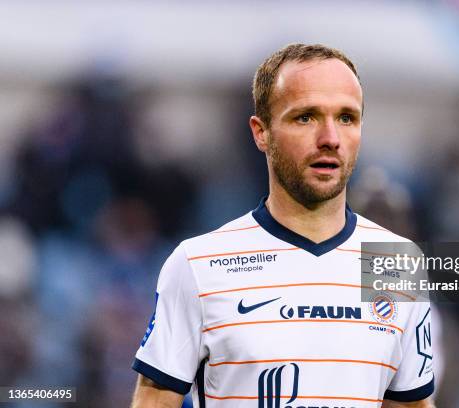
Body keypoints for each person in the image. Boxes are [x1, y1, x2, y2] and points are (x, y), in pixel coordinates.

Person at [130, 43, 435, 408]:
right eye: (305, 117)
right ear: (261, 132)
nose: (330, 139)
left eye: (346, 118)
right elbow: (154, 398)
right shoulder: (200, 264)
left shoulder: (393, 261)